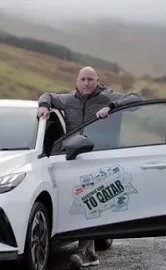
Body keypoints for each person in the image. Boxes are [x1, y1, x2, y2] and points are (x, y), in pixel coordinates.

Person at [37, 66, 141, 268]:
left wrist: (112, 106)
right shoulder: (67, 100)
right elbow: (47, 94)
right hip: (75, 159)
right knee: (83, 203)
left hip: (101, 159)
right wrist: (44, 105)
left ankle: (82, 251)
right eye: (83, 79)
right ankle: (91, 254)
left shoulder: (106, 97)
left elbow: (136, 99)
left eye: (90, 80)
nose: (86, 83)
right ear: (77, 81)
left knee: (91, 201)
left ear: (97, 81)